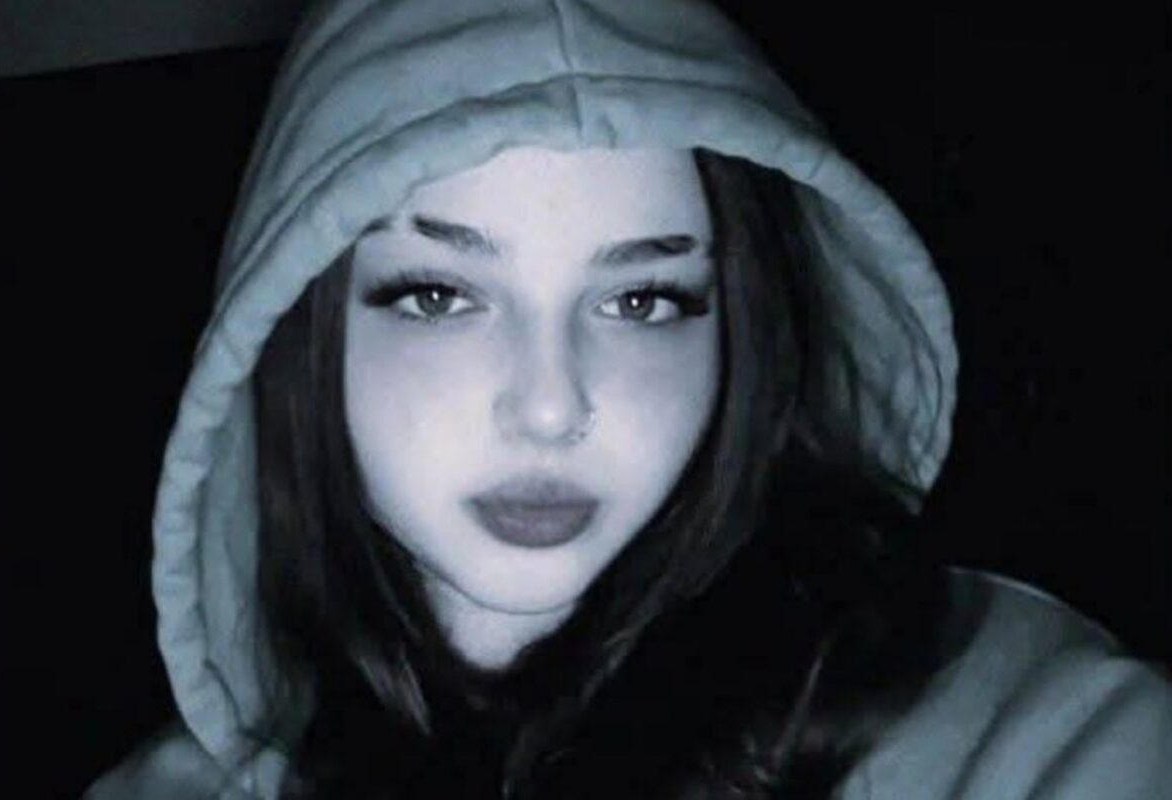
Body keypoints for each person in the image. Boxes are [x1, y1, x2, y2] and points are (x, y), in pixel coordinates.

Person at [85, 0, 1172, 797]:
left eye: (642, 300)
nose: (551, 406)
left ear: (741, 327)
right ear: (296, 335)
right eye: (439, 295)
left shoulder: (1031, 732)